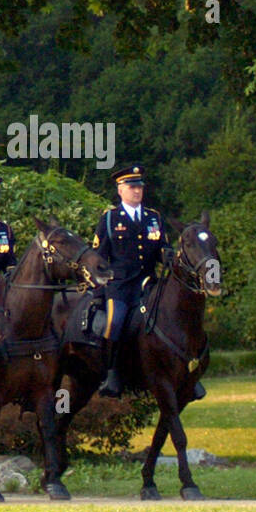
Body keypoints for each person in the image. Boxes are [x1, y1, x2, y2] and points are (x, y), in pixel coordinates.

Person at [92, 164, 181, 398]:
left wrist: (168, 254)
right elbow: (99, 257)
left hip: (148, 285)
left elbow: (163, 247)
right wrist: (99, 288)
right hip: (120, 286)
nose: (137, 191)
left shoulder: (153, 218)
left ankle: (183, 372)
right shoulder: (110, 219)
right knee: (115, 322)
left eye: (139, 187)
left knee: (172, 316)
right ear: (120, 190)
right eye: (131, 187)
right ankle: (111, 373)